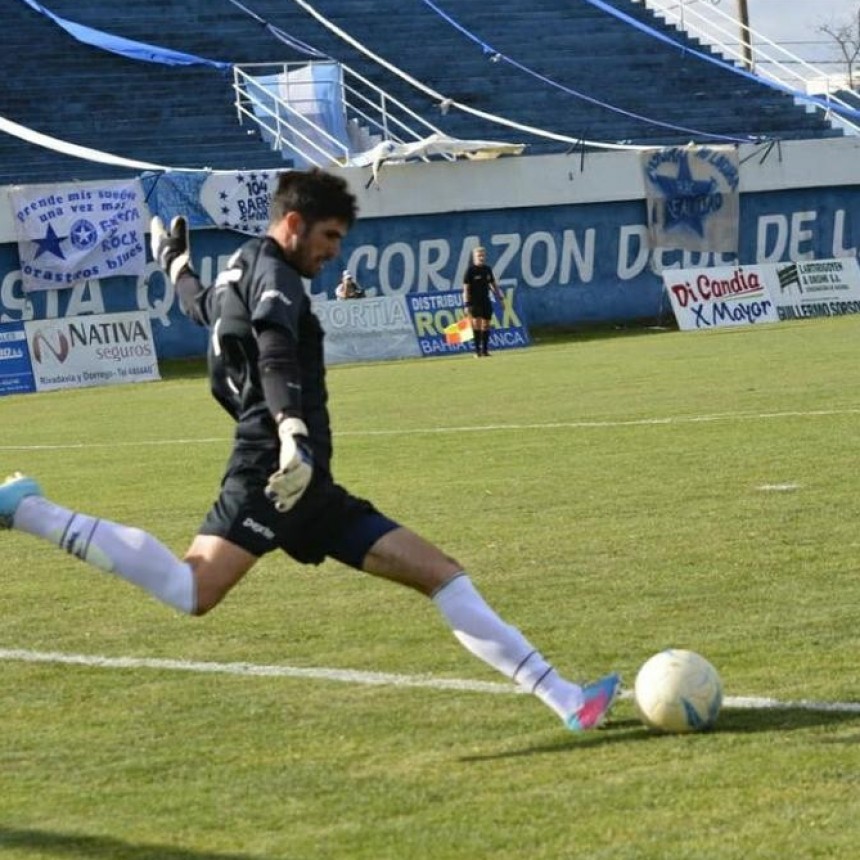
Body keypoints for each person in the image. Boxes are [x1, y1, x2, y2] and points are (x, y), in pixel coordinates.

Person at [0, 168, 619, 733]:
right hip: (275, 471)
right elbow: (274, 349)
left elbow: (201, 308)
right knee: (191, 590)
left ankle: (568, 700)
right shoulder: (278, 277)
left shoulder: (241, 268)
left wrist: (174, 265)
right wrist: (292, 430)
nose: (333, 252)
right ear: (292, 224)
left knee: (442, 574)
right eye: (328, 236)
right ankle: (28, 510)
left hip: (307, 487)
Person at [463, 246, 504, 357]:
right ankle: (477, 351)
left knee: (486, 325)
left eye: (482, 255)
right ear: (474, 257)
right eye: (478, 255)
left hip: (486, 300)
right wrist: (466, 304)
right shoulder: (470, 271)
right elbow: (466, 288)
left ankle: (485, 351)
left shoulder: (487, 269)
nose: (481, 257)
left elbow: (493, 284)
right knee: (476, 324)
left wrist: (500, 298)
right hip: (475, 302)